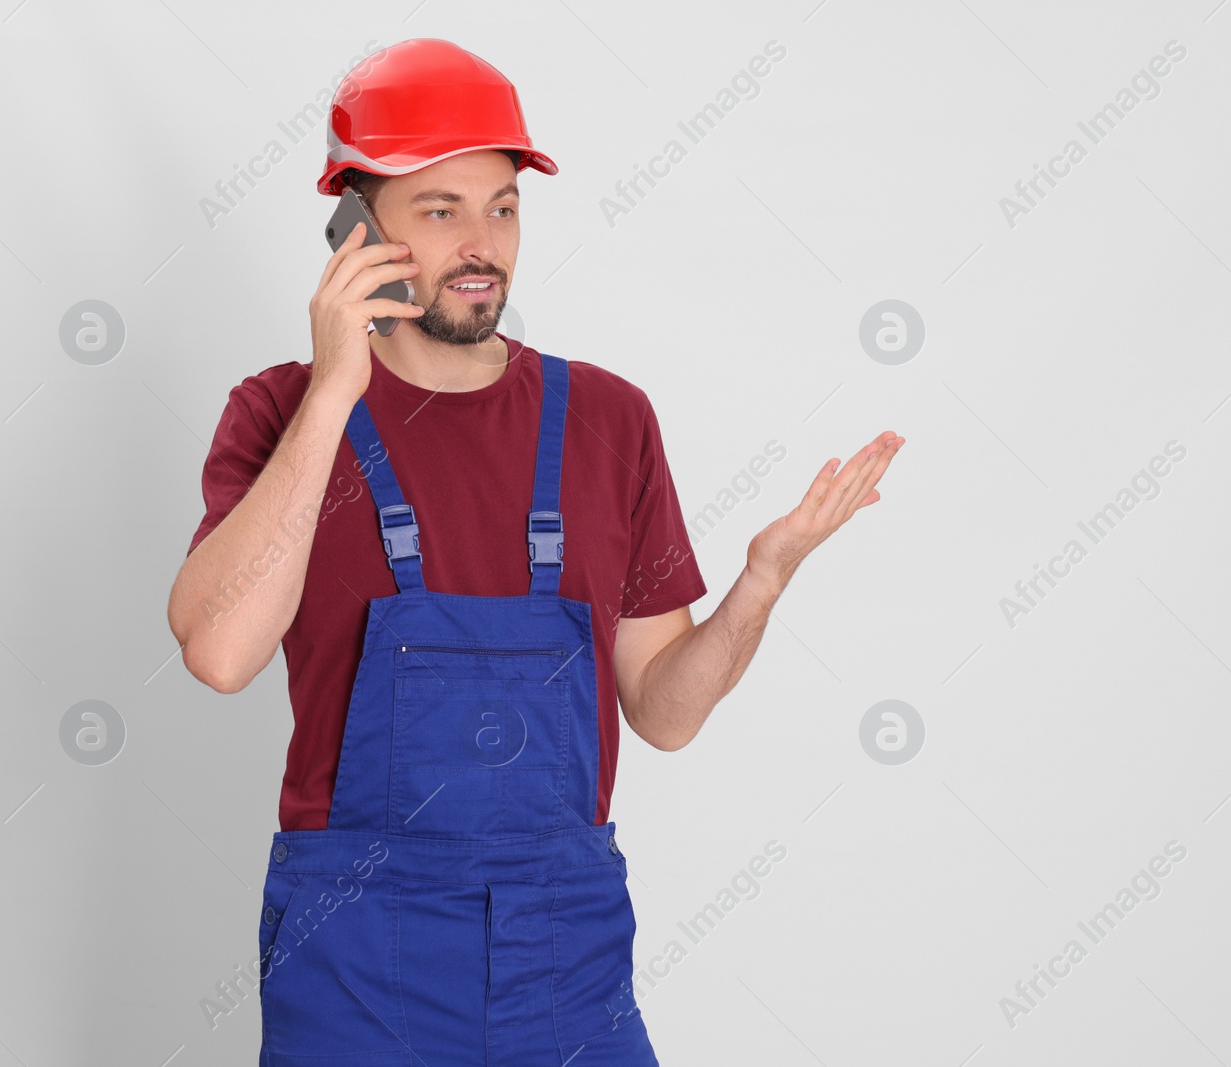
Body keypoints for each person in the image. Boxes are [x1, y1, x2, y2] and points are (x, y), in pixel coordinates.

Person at [165, 37, 903, 1067]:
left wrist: (761, 582)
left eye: (502, 206)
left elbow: (664, 710)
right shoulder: (279, 413)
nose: (482, 243)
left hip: (566, 954)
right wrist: (337, 389)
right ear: (355, 226)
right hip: (355, 959)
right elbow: (220, 650)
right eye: (440, 209)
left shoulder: (607, 418)